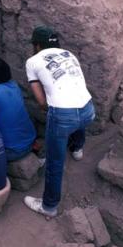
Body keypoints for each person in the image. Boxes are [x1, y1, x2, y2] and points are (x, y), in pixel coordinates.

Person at [23, 25, 95, 217]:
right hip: (89, 109)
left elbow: (40, 100)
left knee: (55, 163)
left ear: (37, 45)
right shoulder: (68, 54)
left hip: (63, 115)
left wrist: (52, 110)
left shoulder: (32, 61)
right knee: (77, 117)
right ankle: (78, 149)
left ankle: (49, 206)